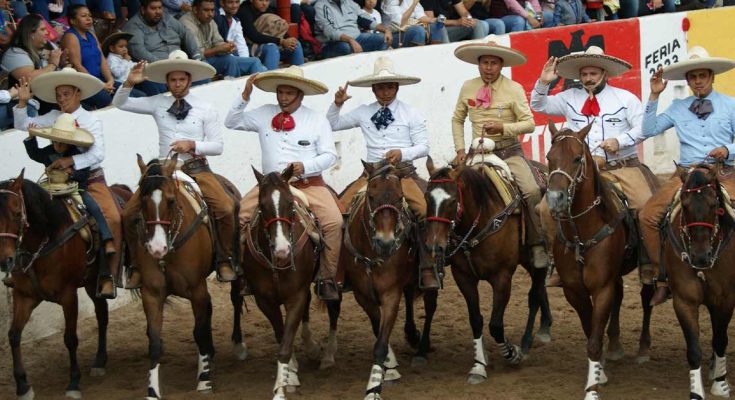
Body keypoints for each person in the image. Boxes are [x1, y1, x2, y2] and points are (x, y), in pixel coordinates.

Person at [530, 46, 659, 286]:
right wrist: (543, 82)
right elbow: (538, 106)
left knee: (643, 205)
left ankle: (647, 263)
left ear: (604, 73)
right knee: (546, 209)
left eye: (593, 73)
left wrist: (619, 141)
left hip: (622, 167)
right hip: (579, 171)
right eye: (584, 74)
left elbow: (643, 129)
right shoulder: (569, 98)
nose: (588, 78)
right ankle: (558, 262)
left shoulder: (626, 99)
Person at [112, 50, 239, 287]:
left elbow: (218, 146)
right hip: (162, 169)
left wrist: (193, 144)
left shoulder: (206, 107)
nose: (177, 84)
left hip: (196, 167)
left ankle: (225, 259)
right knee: (128, 213)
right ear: (167, 81)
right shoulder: (157, 102)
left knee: (225, 207)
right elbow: (119, 103)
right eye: (173, 80)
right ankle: (135, 267)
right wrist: (129, 82)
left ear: (190, 80)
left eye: (182, 79)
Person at [625, 47, 735, 305]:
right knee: (647, 216)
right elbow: (649, 129)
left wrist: (728, 149)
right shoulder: (677, 106)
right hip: (686, 174)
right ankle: (664, 277)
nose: (698, 80)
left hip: (724, 172)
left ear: (712, 77)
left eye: (702, 75)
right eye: (693, 76)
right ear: (687, 80)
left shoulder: (731, 104)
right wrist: (653, 95)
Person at [224, 66, 342, 301]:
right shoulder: (263, 113)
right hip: (270, 185)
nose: (284, 98)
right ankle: (243, 273)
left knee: (334, 222)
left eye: (289, 93)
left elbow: (330, 156)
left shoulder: (316, 119)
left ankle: (327, 277)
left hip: (308, 183)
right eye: (281, 93)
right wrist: (245, 95)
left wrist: (305, 165)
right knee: (237, 216)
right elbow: (231, 121)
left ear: (300, 94)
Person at [327, 56, 438, 289]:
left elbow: (424, 146)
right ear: (373, 89)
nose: (385, 92)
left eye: (389, 87)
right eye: (380, 87)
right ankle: (340, 272)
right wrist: (337, 104)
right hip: (372, 175)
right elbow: (332, 124)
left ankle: (427, 267)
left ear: (396, 87)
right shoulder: (363, 111)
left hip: (402, 174)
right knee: (339, 212)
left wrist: (402, 152)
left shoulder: (411, 113)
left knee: (425, 211)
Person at [14, 68, 122, 298]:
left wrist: (70, 160)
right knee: (29, 212)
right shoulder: (53, 117)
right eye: (58, 95)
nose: (61, 99)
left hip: (90, 179)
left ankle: (109, 275)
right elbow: (25, 125)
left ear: (77, 94)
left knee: (113, 216)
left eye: (66, 94)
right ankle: (22, 268)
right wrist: (22, 104)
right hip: (56, 180)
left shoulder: (91, 120)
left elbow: (97, 154)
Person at [452, 39, 549, 269]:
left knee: (532, 189)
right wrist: (459, 149)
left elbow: (529, 124)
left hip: (509, 152)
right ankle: (450, 244)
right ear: (478, 64)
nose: (488, 67)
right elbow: (457, 119)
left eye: (493, 63)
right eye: (484, 62)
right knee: (450, 190)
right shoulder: (468, 87)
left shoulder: (513, 89)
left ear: (501, 65)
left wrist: (504, 128)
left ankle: (536, 244)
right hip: (477, 154)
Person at [124, 0, 201, 93]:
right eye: (153, 8)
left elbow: (185, 33)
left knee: (204, 75)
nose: (158, 12)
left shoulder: (166, 17)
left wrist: (196, 55)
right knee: (154, 83)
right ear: (143, 10)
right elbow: (139, 51)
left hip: (180, 62)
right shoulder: (133, 26)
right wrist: (163, 65)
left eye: (160, 8)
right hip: (155, 69)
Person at [180, 0, 266, 78]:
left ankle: (262, 93)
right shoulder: (187, 23)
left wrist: (228, 48)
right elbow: (196, 54)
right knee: (229, 60)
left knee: (255, 61)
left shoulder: (210, 21)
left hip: (211, 58)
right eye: (206, 10)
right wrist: (219, 49)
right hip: (194, 62)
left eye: (212, 10)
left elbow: (218, 43)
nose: (210, 14)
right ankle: (232, 89)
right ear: (195, 9)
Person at [61, 5, 116, 109]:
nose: (89, 18)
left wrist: (110, 80)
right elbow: (77, 65)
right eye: (83, 16)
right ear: (73, 21)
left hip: (101, 80)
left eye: (90, 15)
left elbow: (102, 59)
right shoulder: (71, 37)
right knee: (106, 100)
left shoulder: (91, 34)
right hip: (84, 84)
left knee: (130, 92)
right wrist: (100, 85)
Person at [235, 0, 304, 70]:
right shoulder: (244, 11)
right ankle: (270, 79)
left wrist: (288, 40)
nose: (264, 3)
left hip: (265, 43)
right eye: (260, 0)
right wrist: (281, 41)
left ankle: (299, 78)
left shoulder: (267, 9)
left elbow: (279, 29)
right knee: (271, 48)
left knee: (296, 44)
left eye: (267, 0)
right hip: (248, 47)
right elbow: (254, 36)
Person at [313, 0, 391, 59]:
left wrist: (385, 30)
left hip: (356, 39)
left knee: (382, 39)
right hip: (332, 44)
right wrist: (350, 40)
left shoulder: (349, 2)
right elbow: (329, 31)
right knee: (346, 47)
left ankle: (373, 68)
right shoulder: (320, 5)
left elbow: (364, 19)